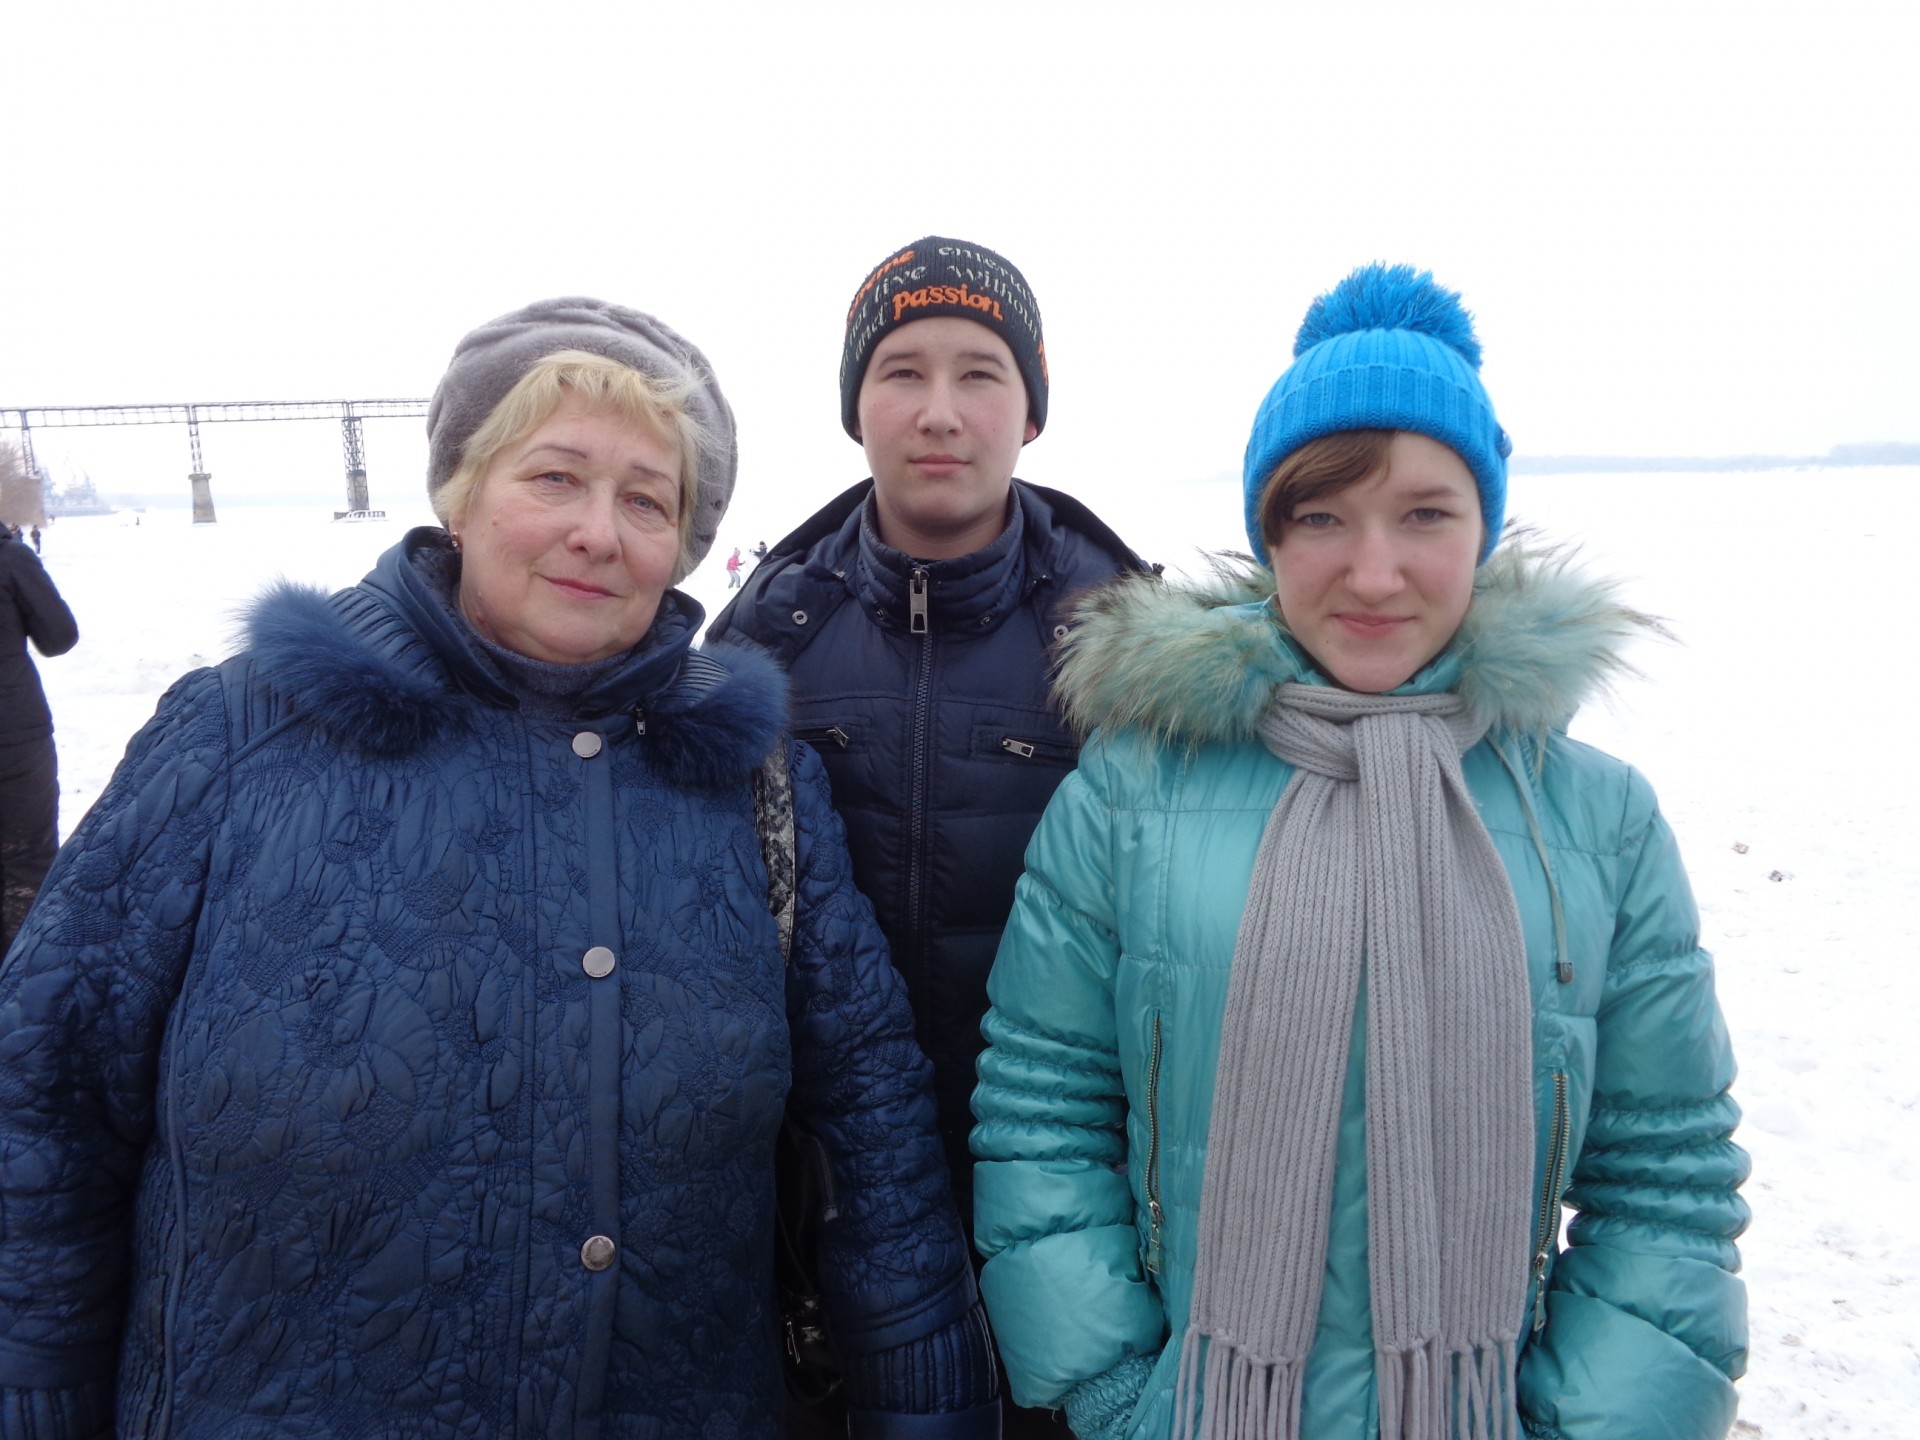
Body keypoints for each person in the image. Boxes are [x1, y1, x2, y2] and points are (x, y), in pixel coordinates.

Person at [0, 298, 999, 1438]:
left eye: (646, 500)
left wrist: (927, 1396)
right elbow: (42, 1099)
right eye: (555, 478)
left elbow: (872, 1119)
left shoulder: (753, 786)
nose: (598, 532)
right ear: (462, 492)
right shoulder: (238, 741)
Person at [969, 265, 1750, 1440]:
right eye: (1323, 517)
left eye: (1425, 514)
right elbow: (1044, 1107)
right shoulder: (1133, 794)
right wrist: (1120, 1390)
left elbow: (1665, 1178)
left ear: (1485, 527)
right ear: (1269, 535)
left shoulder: (1599, 823)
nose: (1373, 573)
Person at [708, 236, 1150, 1438]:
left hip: (1075, 1205)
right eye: (902, 372)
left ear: (1032, 410)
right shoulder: (768, 637)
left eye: (981, 374)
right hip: (825, 1215)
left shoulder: (1122, 638)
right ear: (855, 406)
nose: (940, 412)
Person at [0, 520, 77, 955]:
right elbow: (59, 637)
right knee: (27, 862)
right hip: (13, 738)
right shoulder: (10, 558)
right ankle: (21, 979)